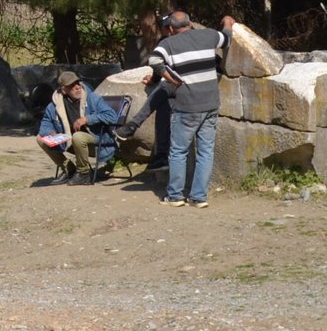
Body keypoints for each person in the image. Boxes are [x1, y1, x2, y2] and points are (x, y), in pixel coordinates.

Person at [151, 11, 235, 207]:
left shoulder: (168, 43)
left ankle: (175, 196)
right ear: (189, 23)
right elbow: (227, 38)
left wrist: (173, 80)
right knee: (206, 151)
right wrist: (228, 22)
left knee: (179, 151)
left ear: (171, 29)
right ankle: (199, 197)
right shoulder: (207, 35)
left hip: (186, 106)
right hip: (211, 103)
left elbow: (154, 61)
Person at [114, 13, 178, 173]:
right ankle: (162, 157)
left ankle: (133, 125)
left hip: (183, 84)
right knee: (163, 106)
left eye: (164, 28)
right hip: (176, 86)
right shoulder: (173, 40)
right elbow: (161, 67)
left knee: (164, 90)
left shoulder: (168, 41)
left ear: (169, 28)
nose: (164, 31)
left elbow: (159, 64)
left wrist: (156, 78)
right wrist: (155, 78)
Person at [36, 70, 120, 184]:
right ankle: (69, 169)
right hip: (69, 142)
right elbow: (46, 122)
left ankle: (83, 173)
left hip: (97, 141)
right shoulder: (54, 105)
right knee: (41, 139)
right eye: (72, 85)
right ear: (64, 90)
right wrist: (50, 132)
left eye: (78, 83)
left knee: (78, 136)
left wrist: (87, 119)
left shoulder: (92, 98)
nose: (77, 87)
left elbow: (112, 117)